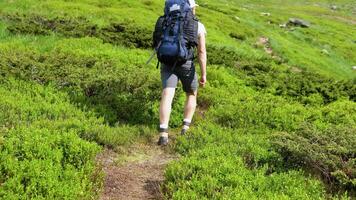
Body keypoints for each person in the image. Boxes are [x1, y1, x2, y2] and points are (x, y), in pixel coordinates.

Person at [156, 0, 207, 146]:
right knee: (191, 93)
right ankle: (185, 128)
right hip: (186, 63)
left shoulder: (166, 20)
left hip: (166, 61)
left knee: (167, 94)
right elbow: (201, 52)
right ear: (191, 8)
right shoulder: (198, 25)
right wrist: (203, 74)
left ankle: (163, 133)